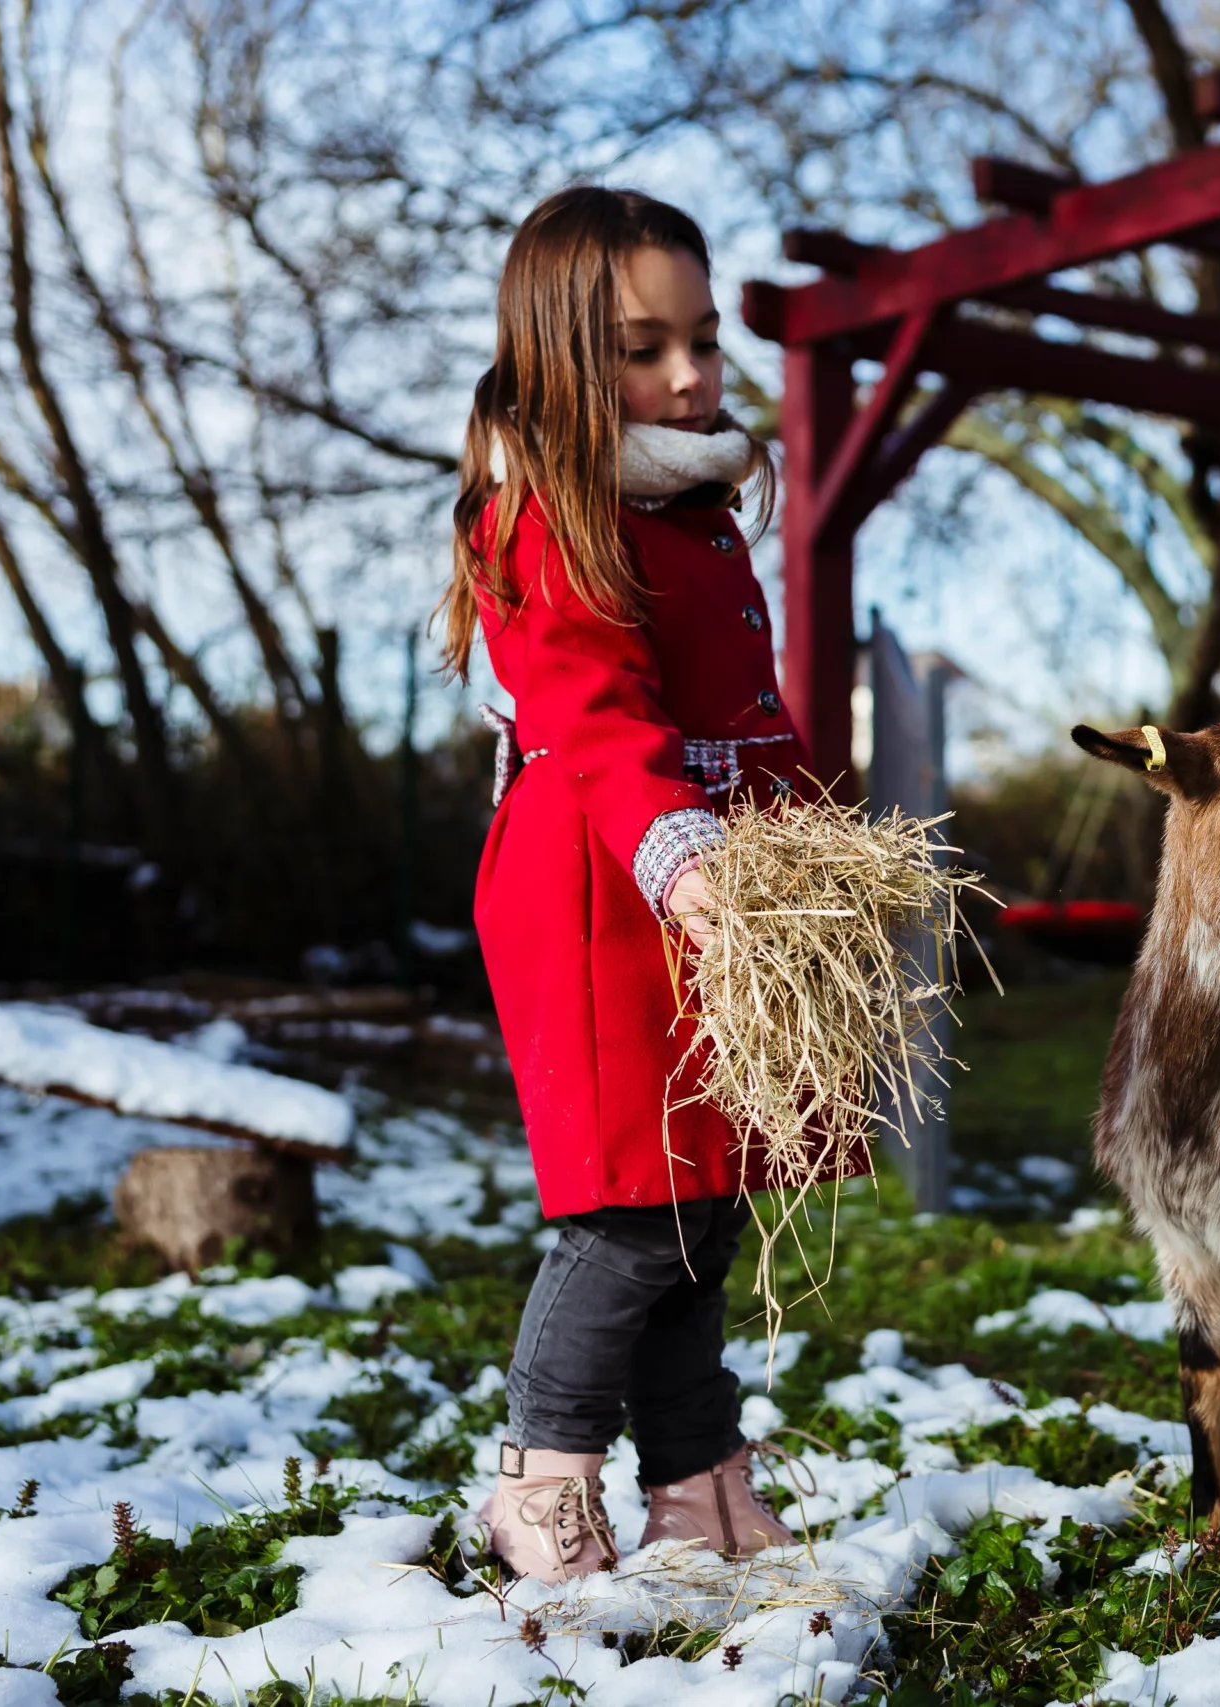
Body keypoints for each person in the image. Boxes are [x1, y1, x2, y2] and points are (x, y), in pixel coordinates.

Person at [437, 187, 863, 1581]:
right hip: (602, 894)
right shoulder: (546, 511)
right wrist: (691, 867)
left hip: (719, 894)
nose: (686, 375)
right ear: (563, 353)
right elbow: (600, 721)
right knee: (625, 1212)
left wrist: (820, 873)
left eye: (702, 341)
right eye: (641, 347)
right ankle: (541, 1483)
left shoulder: (690, 502)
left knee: (704, 1197)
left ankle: (697, 1480)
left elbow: (754, 715)